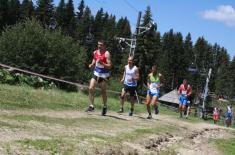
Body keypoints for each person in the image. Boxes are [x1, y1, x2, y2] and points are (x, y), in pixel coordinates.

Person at [86, 40, 112, 116]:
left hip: (104, 75)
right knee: (91, 88)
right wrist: (91, 64)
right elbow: (94, 60)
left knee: (103, 91)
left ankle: (104, 106)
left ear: (104, 46)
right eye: (98, 44)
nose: (99, 46)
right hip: (96, 73)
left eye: (101, 45)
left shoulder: (107, 54)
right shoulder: (95, 52)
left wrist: (103, 63)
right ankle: (91, 106)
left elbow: (110, 66)